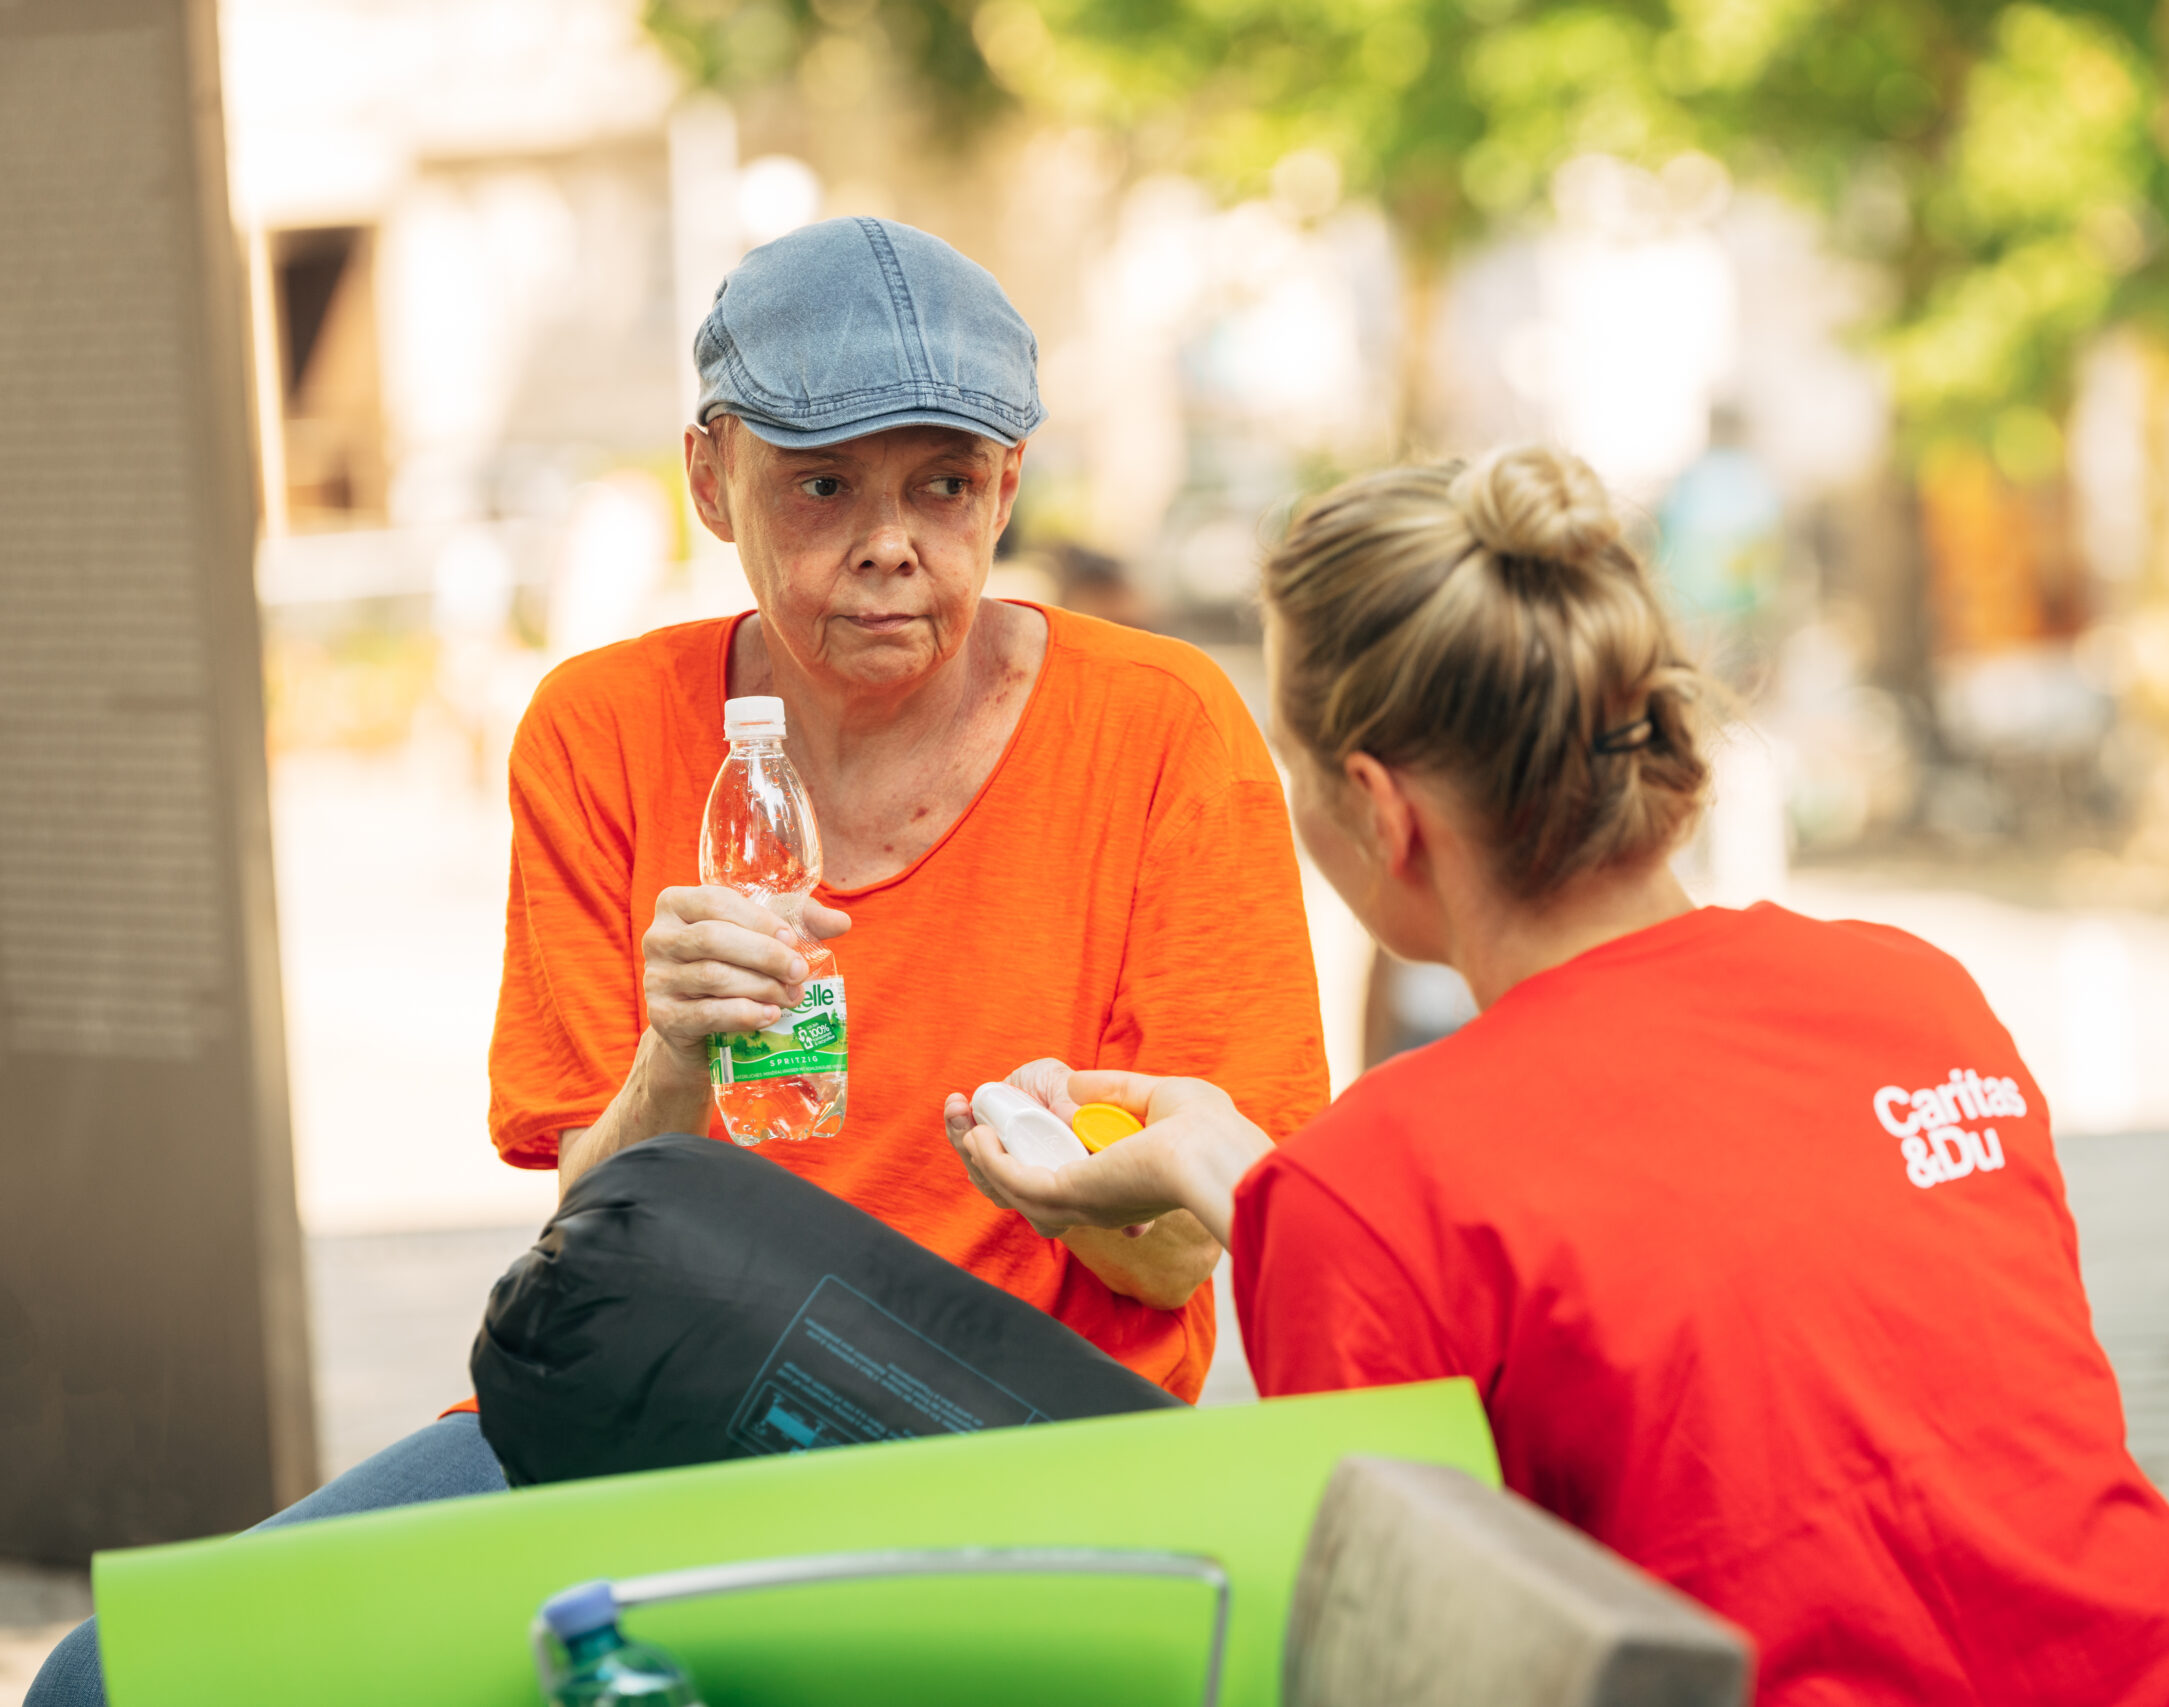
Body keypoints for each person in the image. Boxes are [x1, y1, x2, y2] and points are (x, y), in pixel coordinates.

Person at [28, 216, 1326, 1707]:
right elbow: (603, 1228)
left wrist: (1085, 1196)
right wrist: (676, 1056)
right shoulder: (603, 729)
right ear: (712, 481)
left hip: (1006, 1440)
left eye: (945, 486)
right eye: (822, 485)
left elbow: (1192, 1242)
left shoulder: (1160, 729)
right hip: (654, 1405)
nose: (891, 541)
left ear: (1008, 488)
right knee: (105, 1681)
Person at [952, 445, 2169, 1705]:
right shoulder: (1915, 997)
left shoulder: (1376, 1189)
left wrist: (1299, 1199)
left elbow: (1433, 1665)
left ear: (1380, 809)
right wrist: (1248, 1174)